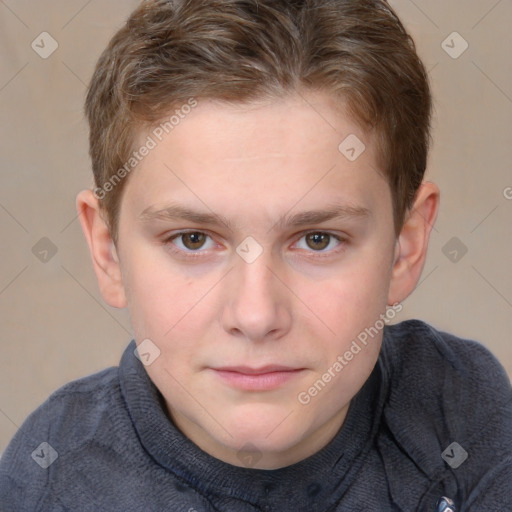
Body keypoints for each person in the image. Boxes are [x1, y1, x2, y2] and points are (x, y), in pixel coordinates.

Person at [1, 0, 510, 510]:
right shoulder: (50, 483)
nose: (256, 315)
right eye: (193, 240)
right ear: (108, 252)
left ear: (406, 245)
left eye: (318, 239)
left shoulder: (465, 415)